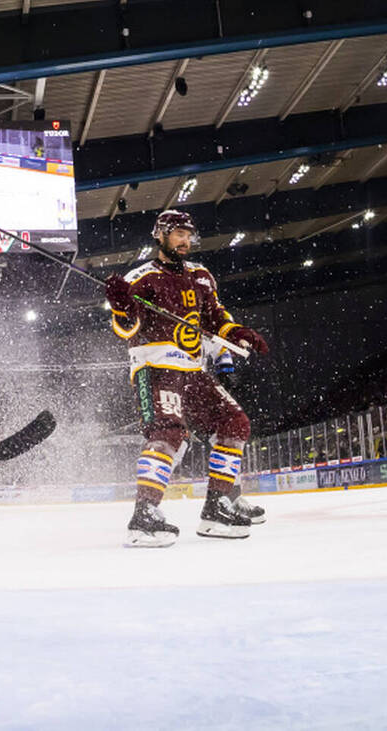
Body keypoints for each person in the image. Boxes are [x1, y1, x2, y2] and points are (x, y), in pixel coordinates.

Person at [107, 209, 272, 547]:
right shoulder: (140, 279)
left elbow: (215, 319)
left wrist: (238, 332)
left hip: (193, 369)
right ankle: (143, 516)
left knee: (234, 422)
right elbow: (127, 329)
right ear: (160, 235)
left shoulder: (201, 276)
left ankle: (217, 506)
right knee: (169, 433)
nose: (185, 241)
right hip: (156, 366)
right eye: (178, 234)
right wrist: (122, 307)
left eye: (188, 234)